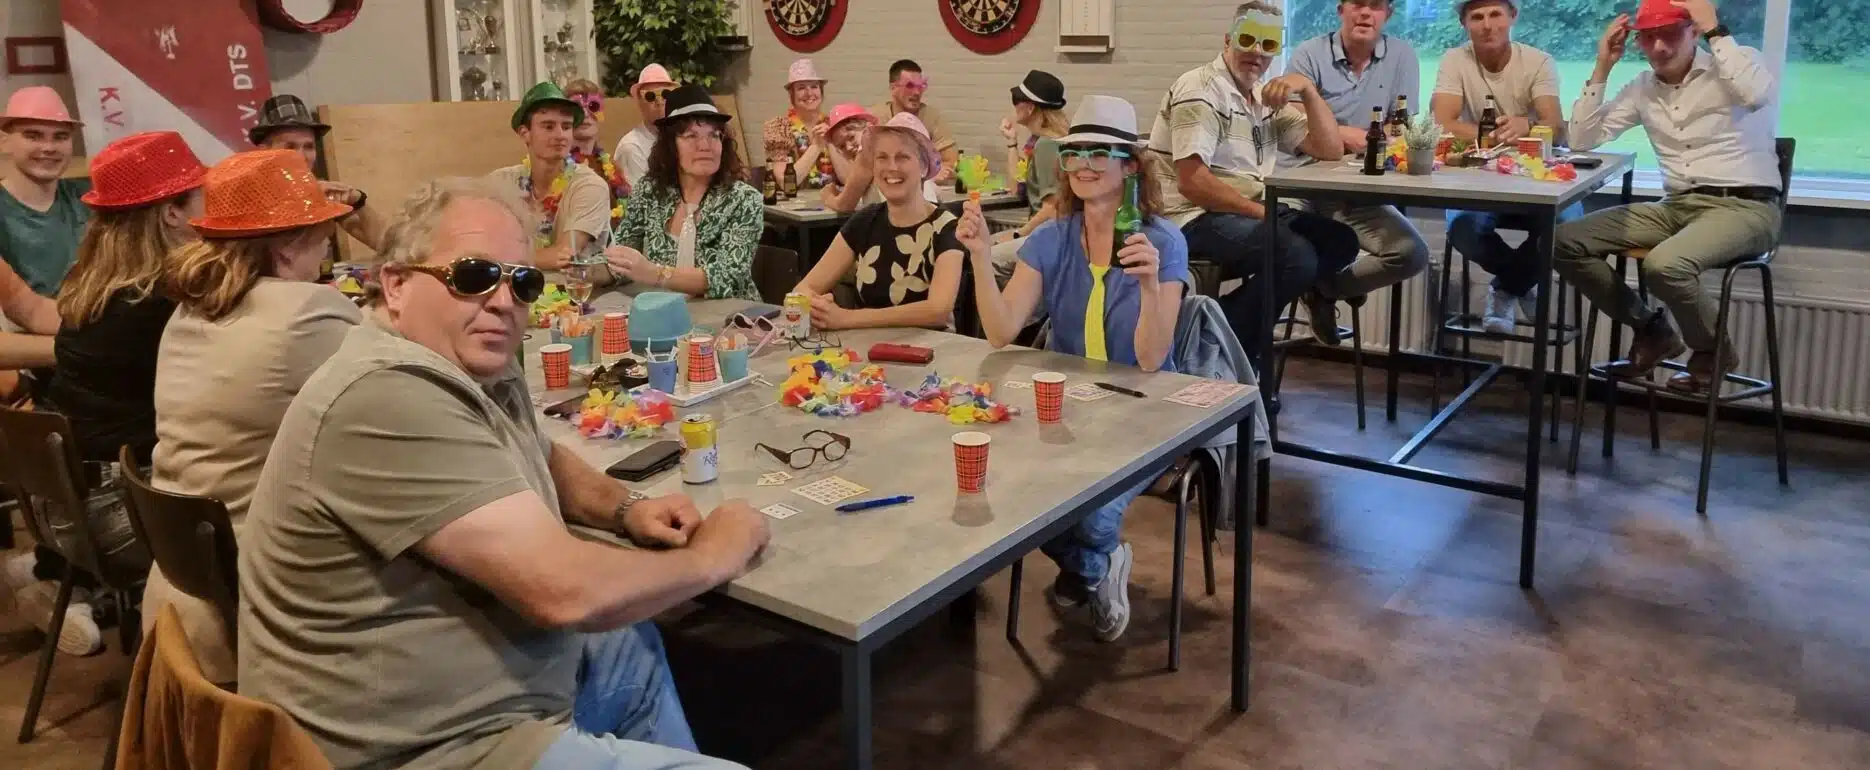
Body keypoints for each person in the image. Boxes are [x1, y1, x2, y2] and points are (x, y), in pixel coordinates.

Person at [237, 174, 765, 770]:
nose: (502, 300)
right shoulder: (386, 392)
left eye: (523, 281)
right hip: (418, 747)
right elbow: (564, 592)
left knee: (627, 645)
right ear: (397, 285)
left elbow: (537, 450)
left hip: (473, 694)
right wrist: (714, 555)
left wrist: (625, 508)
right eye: (472, 276)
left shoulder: (464, 356)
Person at [959, 95, 1189, 642]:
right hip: (1065, 408)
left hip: (1145, 412)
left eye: (1099, 152)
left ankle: (1088, 562)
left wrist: (1150, 286)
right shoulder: (1052, 238)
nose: (1083, 164)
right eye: (1074, 153)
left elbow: (1152, 360)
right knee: (1006, 490)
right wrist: (979, 256)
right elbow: (1001, 330)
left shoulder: (1161, 240)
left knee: (1089, 516)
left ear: (1130, 166)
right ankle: (1097, 568)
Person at [146, 148, 361, 684]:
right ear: (287, 246)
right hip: (260, 593)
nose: (327, 247)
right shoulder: (308, 312)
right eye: (322, 234)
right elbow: (406, 392)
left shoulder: (188, 309)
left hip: (179, 581)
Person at [1556, 0, 1781, 392]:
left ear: (1693, 31)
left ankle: (1713, 351)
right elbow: (1581, 139)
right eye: (1649, 37)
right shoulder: (1642, 87)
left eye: (1670, 34)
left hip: (1746, 206)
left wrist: (1714, 29)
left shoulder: (1735, 63)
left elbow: (1756, 95)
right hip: (1677, 205)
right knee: (1562, 241)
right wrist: (1603, 66)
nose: (1659, 47)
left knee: (1664, 265)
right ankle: (1651, 329)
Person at [1147, 1, 1359, 376]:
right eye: (1248, 40)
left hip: (1241, 210)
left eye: (1268, 44)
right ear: (1228, 41)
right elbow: (1193, 183)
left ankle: (1217, 330)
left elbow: (1329, 150)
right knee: (1295, 256)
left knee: (1340, 241)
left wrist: (1308, 91)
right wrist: (1262, 212)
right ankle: (1239, 352)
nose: (1257, 53)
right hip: (1189, 216)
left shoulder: (1262, 98)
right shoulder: (1201, 89)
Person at [1283, 0, 1430, 341]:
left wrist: (1372, 138)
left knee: (1411, 254)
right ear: (1340, 10)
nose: (1365, 13)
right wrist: (1345, 135)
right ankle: (1251, 352)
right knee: (1284, 252)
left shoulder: (1402, 56)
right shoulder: (1309, 53)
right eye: (1357, 3)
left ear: (1388, 14)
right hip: (1302, 182)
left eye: (1375, 6)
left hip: (1357, 189)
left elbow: (1401, 126)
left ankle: (1324, 289)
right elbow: (1291, 117)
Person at [1432, 0, 1574, 334]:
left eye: (1495, 14)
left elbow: (1555, 126)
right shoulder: (1455, 60)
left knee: (1568, 229)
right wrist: (1497, 135)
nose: (1487, 25)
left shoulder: (1538, 61)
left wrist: (1527, 124)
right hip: (1479, 176)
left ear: (1513, 16)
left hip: (1536, 176)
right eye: (1477, 17)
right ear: (1464, 23)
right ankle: (1519, 283)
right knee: (1463, 227)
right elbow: (1441, 123)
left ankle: (1506, 287)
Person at [792, 113, 964, 331]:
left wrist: (847, 318)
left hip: (932, 349)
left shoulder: (947, 227)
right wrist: (818, 306)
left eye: (902, 157)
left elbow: (937, 311)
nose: (891, 167)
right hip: (866, 348)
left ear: (923, 167)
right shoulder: (865, 221)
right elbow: (803, 289)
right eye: (882, 158)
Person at [604, 85, 761, 301]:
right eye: (691, 136)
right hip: (664, 312)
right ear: (671, 146)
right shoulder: (649, 191)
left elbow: (727, 277)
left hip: (730, 315)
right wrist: (587, 271)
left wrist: (655, 273)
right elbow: (621, 258)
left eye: (714, 135)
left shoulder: (744, 199)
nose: (705, 145)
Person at [489, 82, 613, 271]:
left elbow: (564, 255)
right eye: (548, 127)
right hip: (513, 284)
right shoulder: (501, 182)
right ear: (525, 133)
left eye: (566, 127)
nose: (560, 135)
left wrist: (500, 257)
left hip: (572, 288)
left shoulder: (590, 185)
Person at [249, 93, 388, 252]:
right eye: (290, 147)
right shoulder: (247, 196)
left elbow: (385, 244)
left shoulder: (321, 194)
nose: (301, 157)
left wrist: (359, 201)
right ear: (264, 153)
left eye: (309, 147)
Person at [0, 86, 89, 298]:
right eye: (33, 136)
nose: (49, 147)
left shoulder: (90, 197)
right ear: (4, 142)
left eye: (60, 137)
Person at [988, 70, 1070, 286]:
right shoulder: (1043, 142)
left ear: (1030, 107)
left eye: (1017, 100)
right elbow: (1017, 188)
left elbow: (1053, 208)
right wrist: (1012, 142)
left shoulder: (1047, 146)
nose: (1014, 106)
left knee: (986, 257)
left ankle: (1013, 305)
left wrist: (1018, 234)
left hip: (1050, 235)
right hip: (1048, 231)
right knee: (986, 245)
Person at [871, 60, 958, 183]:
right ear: (893, 88)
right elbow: (864, 164)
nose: (917, 92)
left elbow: (951, 160)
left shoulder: (931, 117)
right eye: (910, 86)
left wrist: (932, 174)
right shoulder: (875, 118)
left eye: (920, 86)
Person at [564, 79, 631, 231]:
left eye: (593, 106)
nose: (585, 114)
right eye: (576, 109)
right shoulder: (559, 166)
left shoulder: (611, 168)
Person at [761, 58, 835, 191]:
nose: (809, 93)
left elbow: (848, 178)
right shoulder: (779, 128)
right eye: (801, 88)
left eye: (814, 86)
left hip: (831, 200)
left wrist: (832, 142)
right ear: (792, 94)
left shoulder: (833, 125)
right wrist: (816, 146)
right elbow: (787, 183)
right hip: (793, 202)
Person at [614, 64, 678, 186]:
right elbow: (640, 196)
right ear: (639, 102)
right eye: (650, 96)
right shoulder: (632, 147)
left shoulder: (682, 137)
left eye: (665, 94)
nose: (659, 102)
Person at [817, 103, 881, 213]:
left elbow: (844, 206)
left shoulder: (866, 150)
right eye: (842, 146)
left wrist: (827, 196)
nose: (848, 147)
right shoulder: (881, 143)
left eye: (851, 138)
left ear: (867, 127)